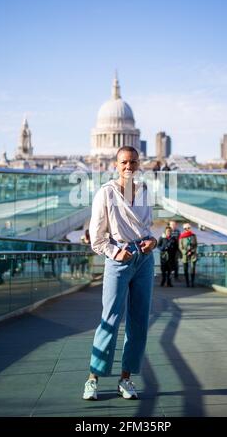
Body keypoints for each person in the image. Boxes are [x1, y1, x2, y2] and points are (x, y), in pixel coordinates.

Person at [83, 146, 157, 401]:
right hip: (119, 259)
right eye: (124, 162)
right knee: (110, 319)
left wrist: (154, 242)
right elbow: (97, 238)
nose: (129, 167)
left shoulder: (145, 190)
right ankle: (93, 378)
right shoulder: (106, 192)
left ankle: (125, 379)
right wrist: (116, 253)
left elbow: (147, 227)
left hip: (145, 260)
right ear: (116, 164)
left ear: (138, 164)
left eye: (133, 162)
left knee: (139, 322)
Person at [179, 223, 197, 288]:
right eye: (186, 228)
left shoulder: (193, 235)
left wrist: (192, 251)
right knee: (185, 269)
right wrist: (186, 252)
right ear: (184, 229)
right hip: (185, 255)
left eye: (188, 228)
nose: (187, 229)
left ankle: (192, 282)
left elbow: (195, 245)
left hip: (193, 255)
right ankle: (187, 283)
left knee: (193, 269)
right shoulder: (181, 236)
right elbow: (180, 246)